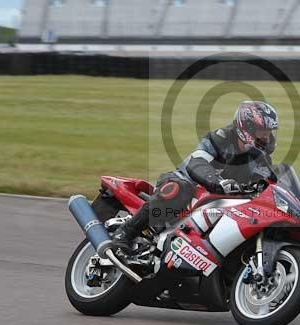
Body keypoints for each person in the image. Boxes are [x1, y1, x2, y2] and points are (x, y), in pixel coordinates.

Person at [111, 100, 279, 246]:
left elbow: (267, 186)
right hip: (188, 184)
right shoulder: (220, 139)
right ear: (246, 127)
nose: (267, 138)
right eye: (262, 132)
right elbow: (197, 161)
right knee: (177, 189)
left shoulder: (261, 159)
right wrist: (216, 181)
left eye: (269, 133)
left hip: (219, 203)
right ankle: (124, 233)